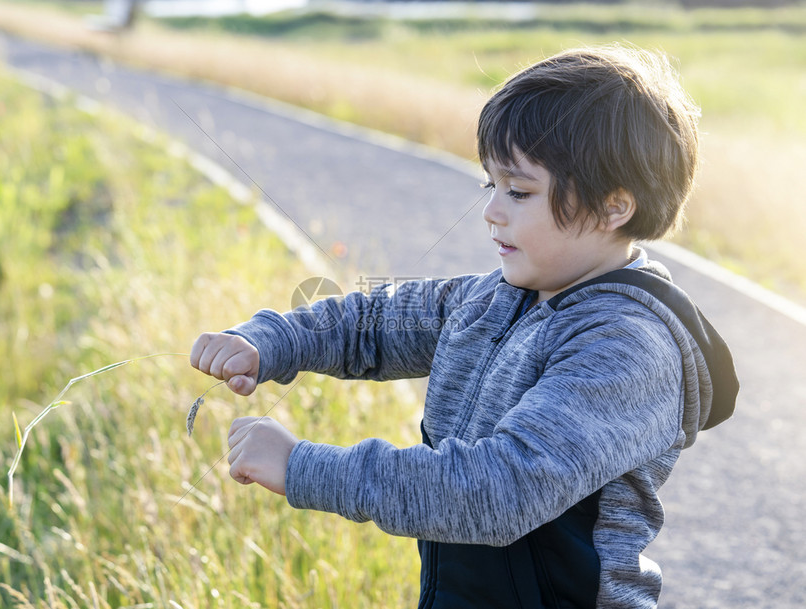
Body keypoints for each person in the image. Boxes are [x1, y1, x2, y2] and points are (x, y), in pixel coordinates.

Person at [190, 44, 738, 608]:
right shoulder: (494, 298)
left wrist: (302, 466)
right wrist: (267, 341)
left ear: (612, 207)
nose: (492, 211)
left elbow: (499, 489)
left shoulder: (626, 346)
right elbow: (371, 322)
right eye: (490, 186)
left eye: (519, 191)